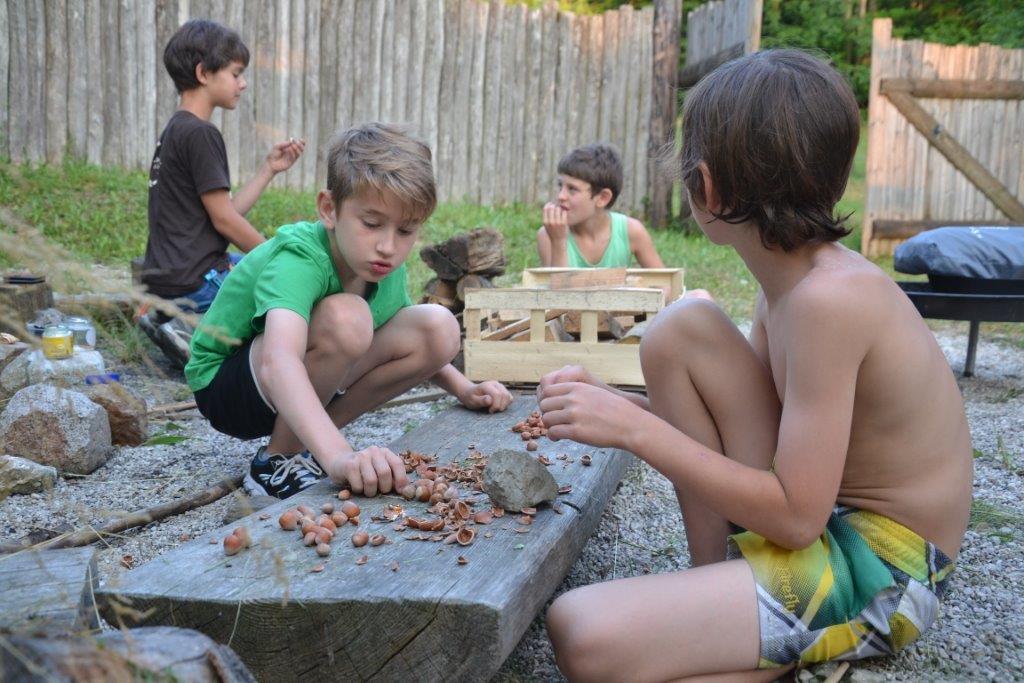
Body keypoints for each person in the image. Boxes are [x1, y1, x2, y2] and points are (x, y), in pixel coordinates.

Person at [537, 50, 972, 681]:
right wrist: (615, 405)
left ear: (706, 186)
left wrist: (634, 430)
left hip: (885, 573)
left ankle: (753, 636)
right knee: (680, 328)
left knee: (580, 631)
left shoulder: (829, 302)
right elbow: (766, 437)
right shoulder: (789, 284)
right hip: (822, 524)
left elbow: (796, 517)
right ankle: (727, 594)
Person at [186, 123, 513, 500]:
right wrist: (340, 456)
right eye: (371, 224)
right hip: (229, 388)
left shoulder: (381, 266)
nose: (388, 246)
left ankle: (311, 444)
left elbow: (405, 338)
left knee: (437, 329)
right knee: (348, 319)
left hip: (289, 387)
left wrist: (465, 389)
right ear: (329, 209)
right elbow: (279, 360)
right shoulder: (300, 257)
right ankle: (278, 460)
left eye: (406, 231)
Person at [139, 19, 305, 366]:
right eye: (235, 73)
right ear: (204, 73)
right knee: (288, 290)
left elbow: (222, 212)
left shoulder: (176, 129)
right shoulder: (201, 134)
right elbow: (225, 221)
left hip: (170, 280)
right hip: (197, 281)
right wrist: (277, 255)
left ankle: (174, 320)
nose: (242, 84)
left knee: (250, 266)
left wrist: (269, 169)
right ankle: (200, 333)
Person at [536, 144, 664, 269]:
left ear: (603, 198)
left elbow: (664, 281)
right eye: (560, 186)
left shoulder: (631, 231)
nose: (561, 196)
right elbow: (558, 284)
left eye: (572, 189)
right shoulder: (549, 235)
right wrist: (558, 242)